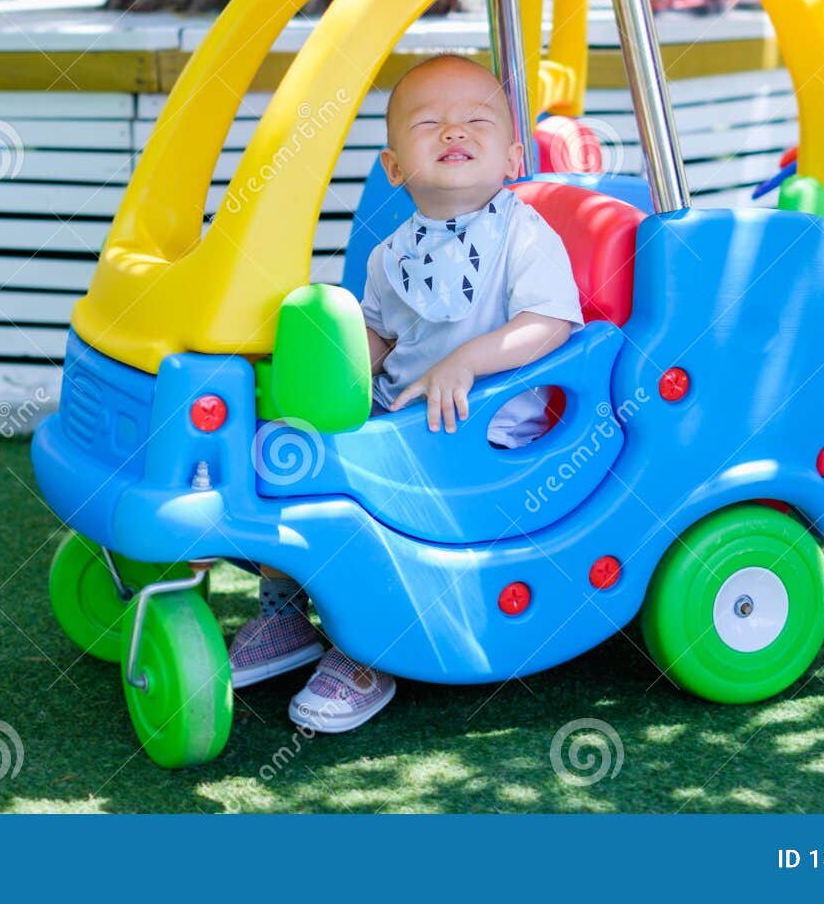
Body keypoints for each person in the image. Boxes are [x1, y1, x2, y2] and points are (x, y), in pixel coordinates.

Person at [227, 54, 585, 733]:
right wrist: (329, 365)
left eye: (475, 119)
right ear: (395, 168)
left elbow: (551, 322)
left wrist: (468, 362)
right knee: (286, 447)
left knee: (356, 499)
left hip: (489, 433)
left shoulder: (524, 234)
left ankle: (369, 649)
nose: (453, 130)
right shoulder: (392, 252)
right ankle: (285, 615)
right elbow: (382, 338)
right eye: (430, 122)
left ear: (513, 156)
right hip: (408, 419)